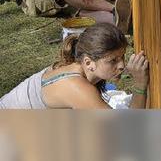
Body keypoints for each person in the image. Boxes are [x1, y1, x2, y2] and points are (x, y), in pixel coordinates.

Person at [0, 23, 149, 109]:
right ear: (88, 63)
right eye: (113, 61)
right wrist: (140, 84)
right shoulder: (76, 87)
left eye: (122, 56)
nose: (122, 65)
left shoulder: (77, 68)